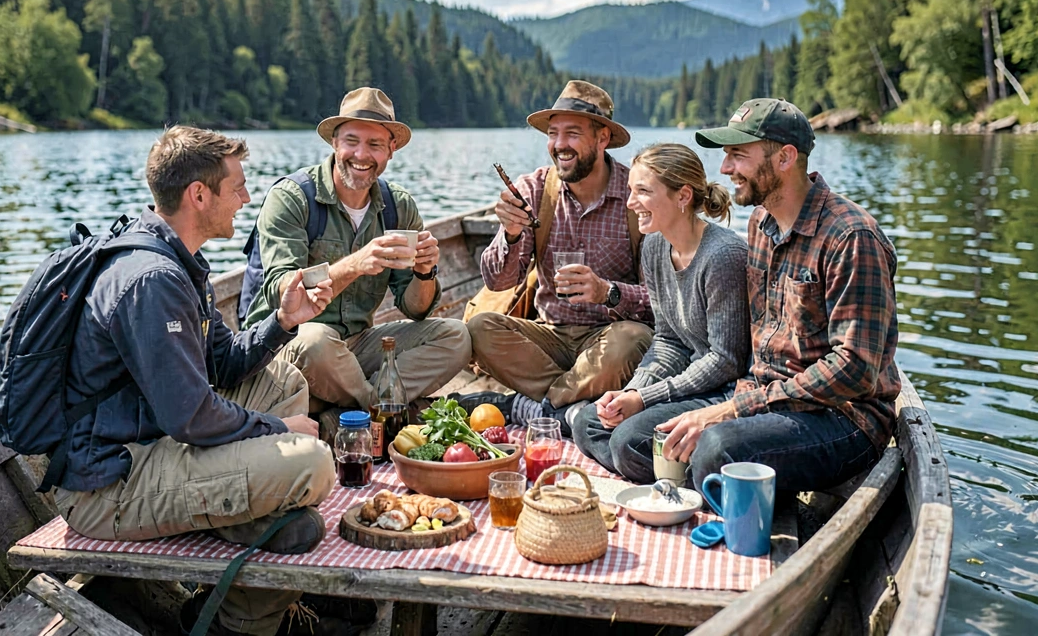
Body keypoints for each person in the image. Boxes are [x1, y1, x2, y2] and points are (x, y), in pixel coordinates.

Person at [51, 125, 341, 636]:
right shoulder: (151, 280)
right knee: (312, 462)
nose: (247, 198)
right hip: (111, 484)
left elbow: (224, 363)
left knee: (282, 378)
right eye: (238, 187)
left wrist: (283, 322)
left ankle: (239, 516)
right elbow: (189, 415)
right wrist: (277, 429)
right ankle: (233, 625)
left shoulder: (180, 260)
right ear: (199, 194)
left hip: (157, 442)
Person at [651, 98, 899, 494]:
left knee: (715, 451)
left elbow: (855, 370)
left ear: (785, 157)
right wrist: (731, 405)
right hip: (762, 399)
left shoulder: (852, 237)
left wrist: (733, 411)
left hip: (842, 419)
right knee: (637, 439)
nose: (725, 168)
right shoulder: (760, 223)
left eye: (737, 155)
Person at [243, 87, 472, 416]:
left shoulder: (398, 206)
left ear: (391, 150)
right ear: (334, 142)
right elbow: (282, 292)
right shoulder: (293, 197)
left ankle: (334, 407)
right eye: (352, 141)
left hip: (355, 348)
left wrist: (425, 271)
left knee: (456, 336)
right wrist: (356, 264)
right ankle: (381, 412)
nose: (361, 155)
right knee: (316, 341)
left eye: (375, 144)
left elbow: (416, 311)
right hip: (288, 346)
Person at [462, 80, 653, 434]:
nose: (559, 145)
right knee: (478, 329)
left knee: (633, 341)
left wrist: (607, 291)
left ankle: (531, 407)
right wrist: (511, 233)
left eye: (573, 133)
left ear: (602, 138)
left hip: (608, 336)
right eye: (553, 134)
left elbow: (662, 298)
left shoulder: (636, 196)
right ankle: (572, 409)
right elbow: (497, 281)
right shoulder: (534, 189)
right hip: (548, 338)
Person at [571, 143, 751, 483]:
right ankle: (666, 470)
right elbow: (667, 339)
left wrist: (644, 398)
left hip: (724, 394)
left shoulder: (724, 256)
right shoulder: (654, 245)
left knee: (626, 441)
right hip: (688, 384)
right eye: (630, 190)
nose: (629, 202)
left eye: (643, 191)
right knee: (587, 423)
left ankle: (672, 473)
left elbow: (726, 360)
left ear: (682, 196)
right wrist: (630, 394)